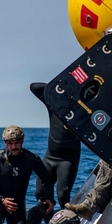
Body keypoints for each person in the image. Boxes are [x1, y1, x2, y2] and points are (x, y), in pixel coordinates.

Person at [29, 82, 82, 212]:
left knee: (62, 195)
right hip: (50, 157)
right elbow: (34, 87)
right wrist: (57, 89)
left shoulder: (83, 110)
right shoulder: (54, 104)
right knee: (40, 194)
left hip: (67, 160)